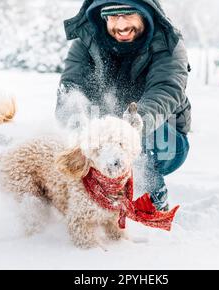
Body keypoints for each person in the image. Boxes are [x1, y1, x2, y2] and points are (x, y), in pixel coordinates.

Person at [55, 0, 191, 211]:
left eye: (128, 14)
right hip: (102, 127)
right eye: (112, 17)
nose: (121, 25)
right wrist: (80, 126)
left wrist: (133, 125)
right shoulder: (86, 42)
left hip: (163, 136)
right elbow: (71, 88)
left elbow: (165, 90)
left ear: (145, 14)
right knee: (88, 142)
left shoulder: (167, 42)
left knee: (141, 140)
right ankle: (94, 198)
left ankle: (151, 195)